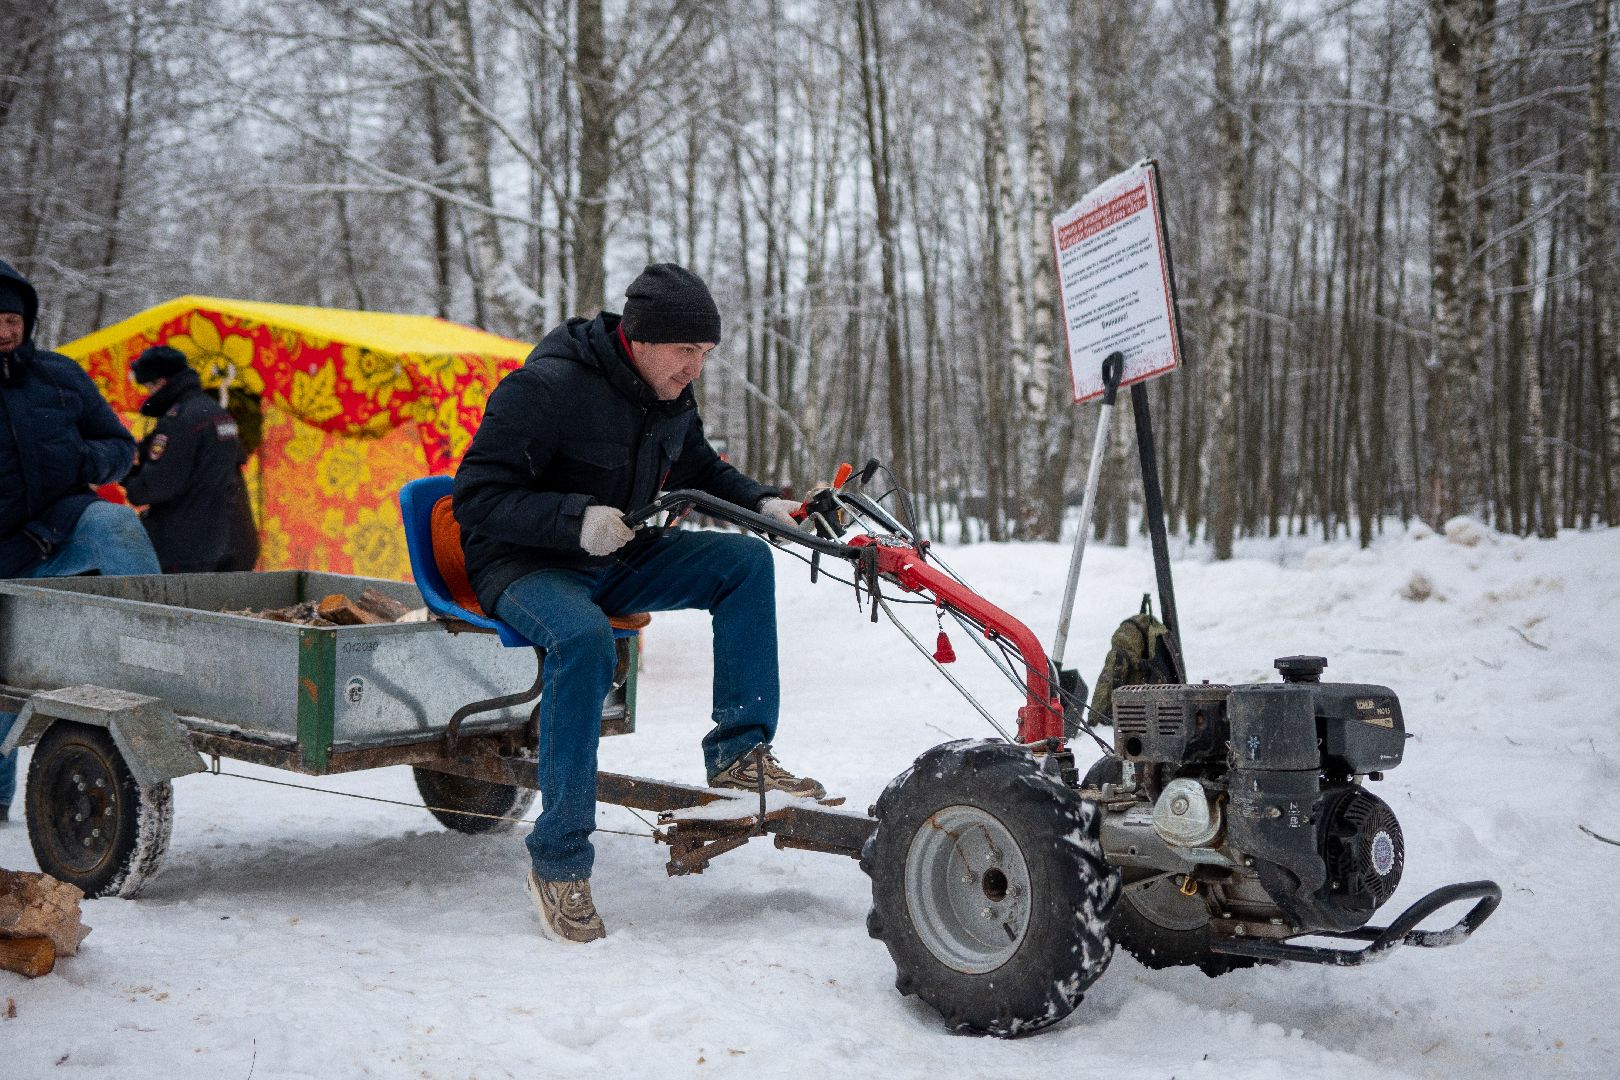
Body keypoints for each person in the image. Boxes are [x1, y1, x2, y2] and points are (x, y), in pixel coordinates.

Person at [453, 263, 822, 943]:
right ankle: (559, 859)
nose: (694, 370)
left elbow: (702, 470)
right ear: (641, 338)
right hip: (526, 564)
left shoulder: (667, 396)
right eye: (686, 352)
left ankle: (739, 754)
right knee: (585, 640)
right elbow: (474, 499)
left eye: (704, 355)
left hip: (613, 557)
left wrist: (766, 503)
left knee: (741, 564)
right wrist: (574, 520)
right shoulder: (546, 388)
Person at [0, 259, 161, 825]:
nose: (4, 330)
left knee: (113, 522)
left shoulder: (59, 375)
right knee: (5, 678)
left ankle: (164, 643)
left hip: (57, 529)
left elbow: (119, 446)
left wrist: (82, 458)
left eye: (12, 318)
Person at [123, 345, 260, 573]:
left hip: (191, 550)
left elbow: (152, 488)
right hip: (236, 543)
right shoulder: (216, 413)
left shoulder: (179, 421)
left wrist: (127, 475)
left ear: (161, 382)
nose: (148, 395)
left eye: (148, 387)